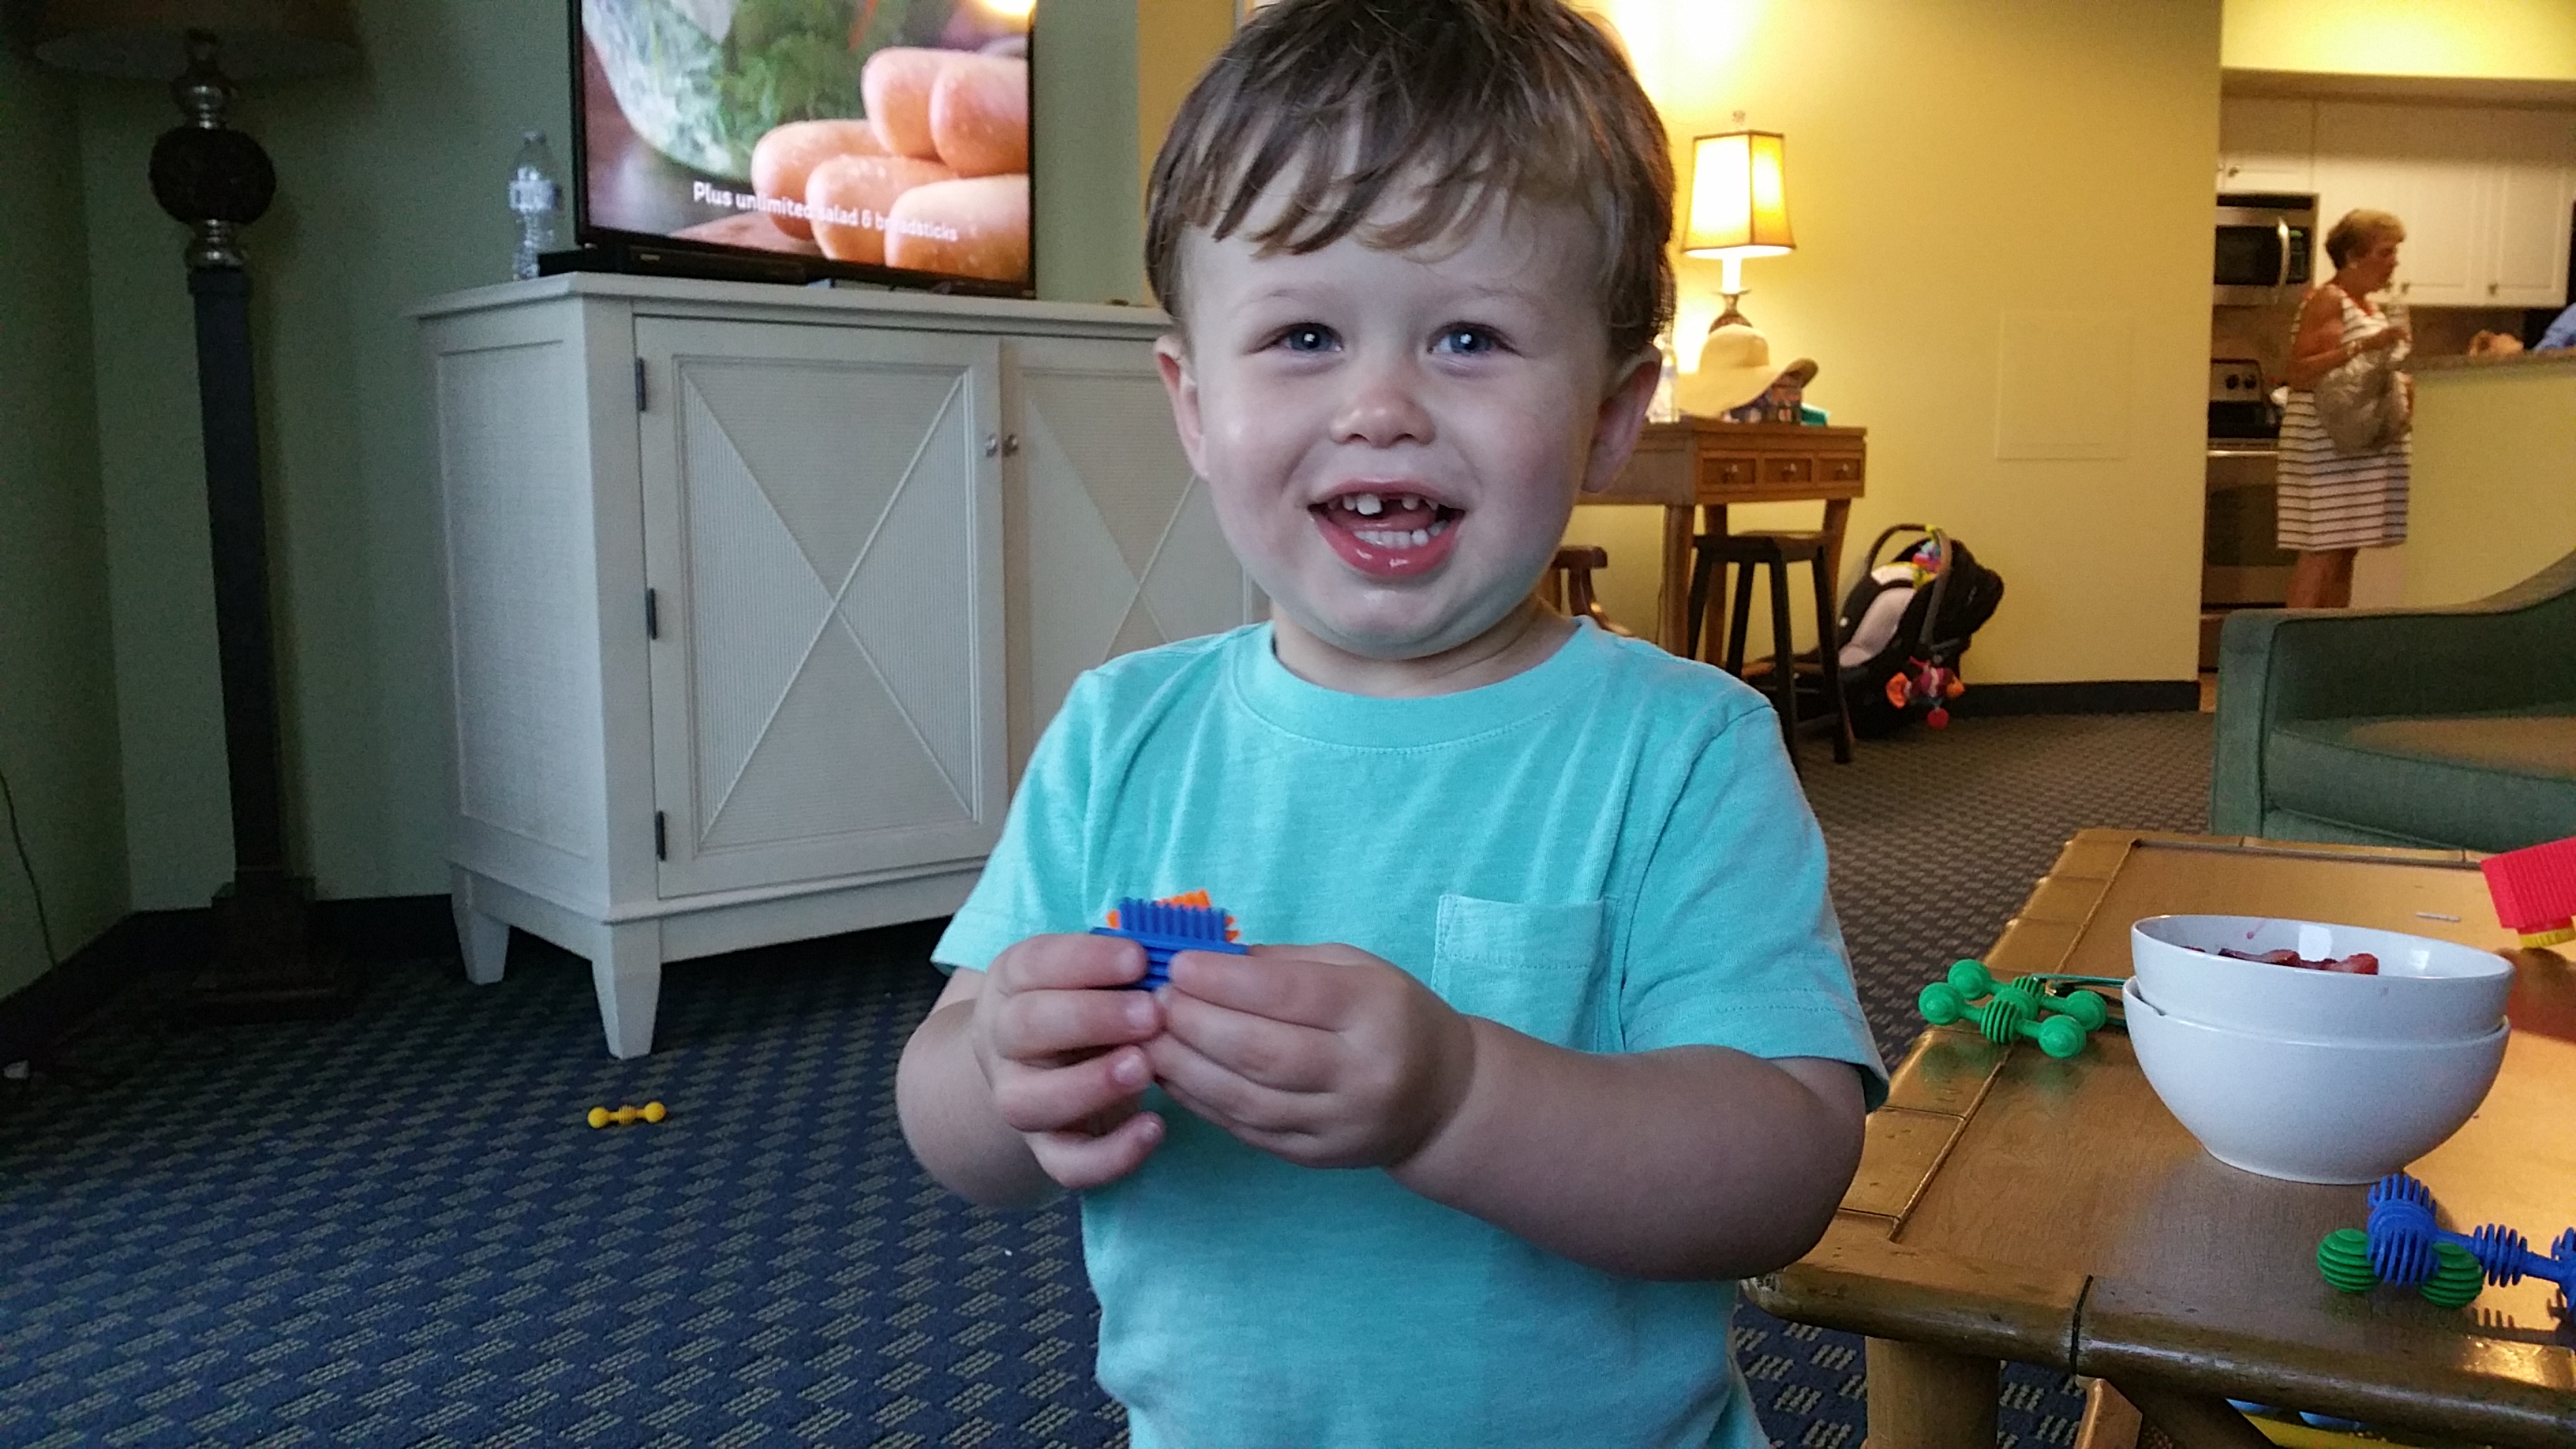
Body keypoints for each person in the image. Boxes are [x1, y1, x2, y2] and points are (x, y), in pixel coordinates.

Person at [893, 2, 1885, 1444]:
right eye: (1301, 334)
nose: (1378, 407)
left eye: (1469, 337)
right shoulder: (1120, 734)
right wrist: (1005, 1069)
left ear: (1612, 415)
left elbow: (1786, 1166)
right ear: (1192, 404)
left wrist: (1457, 1098)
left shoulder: (1682, 751)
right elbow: (948, 1108)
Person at [2277, 208, 2413, 608]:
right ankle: (2292, 641)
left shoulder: (2369, 306)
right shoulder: (2329, 300)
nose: (2394, 262)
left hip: (2359, 445)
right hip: (2326, 445)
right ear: (2353, 255)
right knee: (2321, 552)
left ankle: (2330, 639)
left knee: (2344, 551)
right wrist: (2365, 346)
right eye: (2385, 252)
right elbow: (2299, 372)